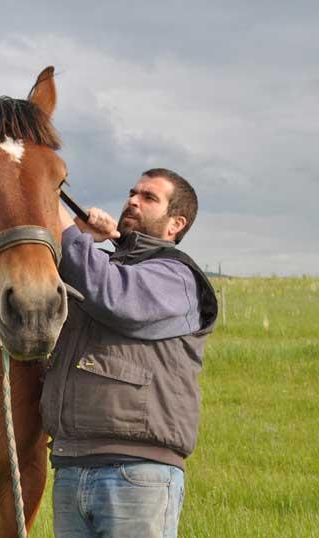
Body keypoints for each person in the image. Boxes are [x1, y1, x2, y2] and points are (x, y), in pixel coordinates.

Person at [41, 168, 218, 537]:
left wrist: (61, 219)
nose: (133, 200)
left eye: (149, 198)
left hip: (138, 472)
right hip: (72, 466)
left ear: (176, 224)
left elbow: (115, 296)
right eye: (132, 192)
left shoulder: (178, 278)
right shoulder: (104, 264)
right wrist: (83, 237)